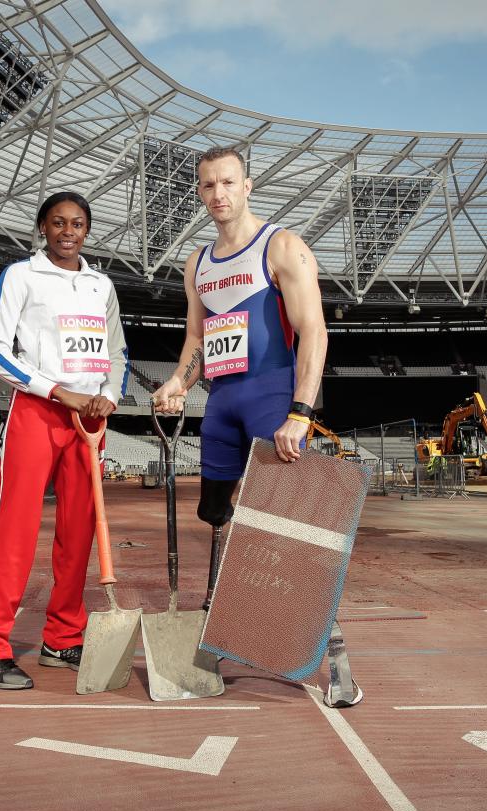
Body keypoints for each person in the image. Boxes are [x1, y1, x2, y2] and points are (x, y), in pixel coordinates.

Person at [151, 146, 327, 611]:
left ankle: (301, 622)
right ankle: (226, 608)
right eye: (208, 184)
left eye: (228, 182)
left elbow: (314, 330)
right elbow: (196, 337)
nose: (218, 193)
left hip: (271, 399)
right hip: (221, 403)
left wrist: (301, 413)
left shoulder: (282, 245)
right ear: (199, 192)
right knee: (213, 512)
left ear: (247, 187)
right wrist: (178, 383)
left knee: (278, 520)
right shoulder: (198, 263)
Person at [0, 191, 129, 690]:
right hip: (40, 412)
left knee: (78, 534)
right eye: (58, 222)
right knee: (16, 529)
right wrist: (59, 392)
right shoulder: (21, 275)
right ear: (43, 227)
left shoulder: (101, 284)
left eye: (78, 224)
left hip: (90, 422)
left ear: (87, 230)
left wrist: (106, 396)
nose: (68, 231)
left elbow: (117, 351)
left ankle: (63, 638)